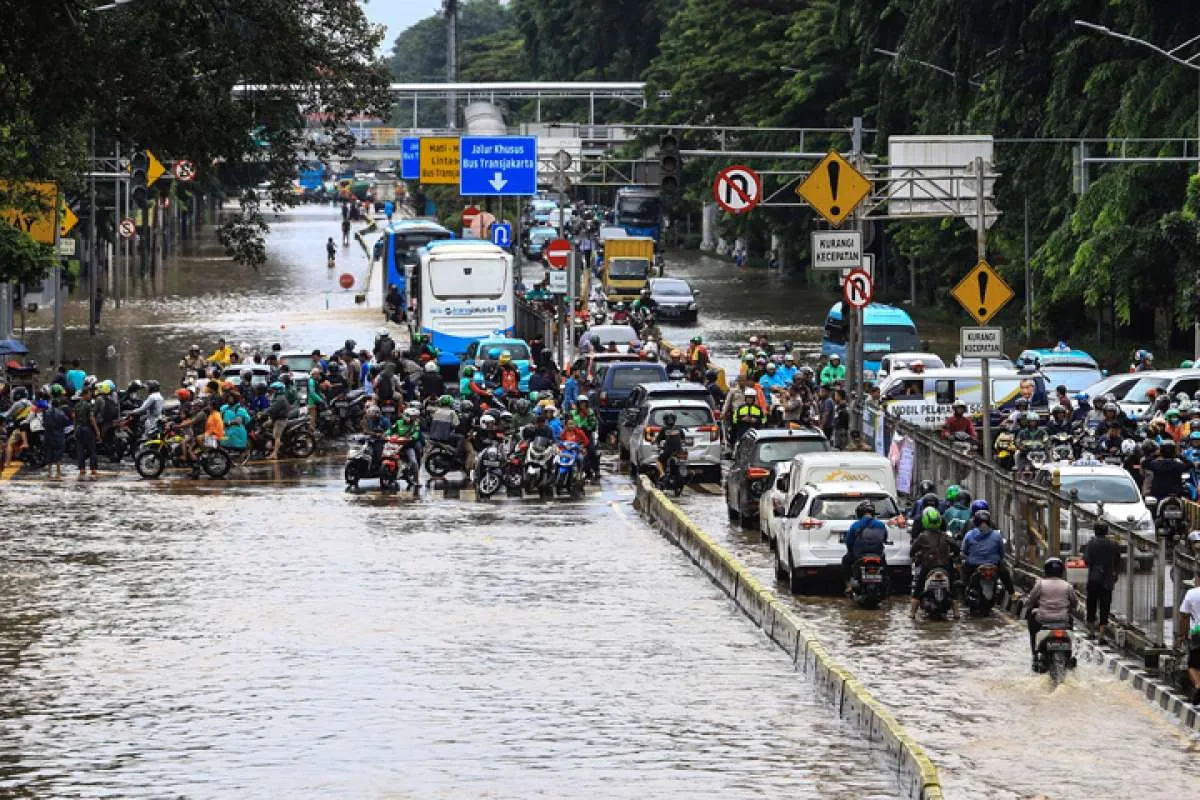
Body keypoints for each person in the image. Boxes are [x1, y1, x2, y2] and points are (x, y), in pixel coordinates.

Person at [1024, 557, 1077, 671]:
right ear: (1061, 571)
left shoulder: (1040, 584)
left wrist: (1028, 604)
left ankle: (1034, 653)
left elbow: (1030, 600)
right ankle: (1070, 652)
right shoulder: (1068, 586)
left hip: (1043, 619)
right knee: (1071, 620)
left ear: (1046, 570)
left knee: (1031, 616)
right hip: (1063, 620)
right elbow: (1075, 603)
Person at [910, 507, 960, 618]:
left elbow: (912, 551)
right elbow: (956, 546)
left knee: (918, 588)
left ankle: (912, 613)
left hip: (928, 566)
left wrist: (916, 555)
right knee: (952, 588)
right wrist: (953, 555)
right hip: (945, 567)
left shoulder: (922, 536)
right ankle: (956, 612)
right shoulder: (945, 535)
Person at [1081, 521, 1122, 642]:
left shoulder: (1091, 544)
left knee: (1091, 604)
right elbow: (1117, 561)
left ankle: (1091, 631)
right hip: (1108, 580)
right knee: (1105, 607)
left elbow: (1086, 561)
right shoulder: (1113, 544)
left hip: (1093, 579)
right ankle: (1102, 635)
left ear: (1095, 531)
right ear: (1107, 531)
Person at [960, 510, 1016, 598]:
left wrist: (967, 557)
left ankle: (964, 593)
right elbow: (1002, 553)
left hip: (974, 565)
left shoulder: (969, 535)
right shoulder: (997, 535)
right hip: (994, 565)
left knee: (964, 571)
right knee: (1005, 573)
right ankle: (1012, 594)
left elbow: (963, 551)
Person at [843, 500, 888, 592]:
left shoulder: (855, 525)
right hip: (877, 555)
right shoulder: (881, 525)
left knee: (846, 560)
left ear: (859, 513)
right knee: (884, 567)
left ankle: (849, 586)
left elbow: (849, 542)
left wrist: (851, 551)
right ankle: (885, 585)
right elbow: (884, 539)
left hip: (859, 556)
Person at [1175, 552, 1200, 705]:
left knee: (1192, 665)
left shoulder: (1191, 593)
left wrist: (1181, 636)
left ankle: (1198, 685)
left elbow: (1184, 617)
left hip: (1197, 633)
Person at [73, 384, 101, 478]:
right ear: (85, 395)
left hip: (78, 429)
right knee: (92, 450)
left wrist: (75, 429)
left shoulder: (76, 405)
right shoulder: (89, 405)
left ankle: (82, 469)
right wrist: (97, 431)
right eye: (89, 394)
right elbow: (92, 418)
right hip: (87, 429)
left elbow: (74, 418)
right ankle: (93, 469)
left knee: (80, 450)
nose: (90, 395)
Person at [652, 412, 686, 483]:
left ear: (665, 421)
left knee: (658, 461)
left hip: (668, 451)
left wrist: (658, 445)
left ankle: (662, 474)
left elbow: (658, 440)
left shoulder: (664, 429)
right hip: (680, 451)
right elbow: (683, 440)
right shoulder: (679, 429)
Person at [41, 399, 68, 480]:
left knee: (49, 453)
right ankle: (58, 473)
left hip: (48, 436)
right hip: (59, 436)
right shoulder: (61, 413)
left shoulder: (46, 413)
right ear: (58, 404)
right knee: (58, 455)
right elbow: (66, 422)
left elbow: (43, 423)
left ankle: (49, 472)